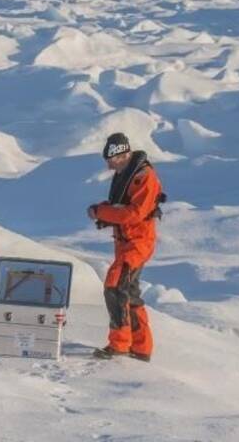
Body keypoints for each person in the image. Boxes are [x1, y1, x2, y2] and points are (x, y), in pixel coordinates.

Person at [88, 133, 164, 362]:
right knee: (128, 293)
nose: (109, 164)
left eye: (112, 159)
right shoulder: (125, 174)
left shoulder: (144, 176)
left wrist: (102, 212)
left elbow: (134, 214)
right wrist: (105, 215)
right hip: (125, 243)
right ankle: (141, 348)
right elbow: (122, 207)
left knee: (115, 285)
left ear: (124, 154)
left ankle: (120, 344)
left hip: (138, 243)